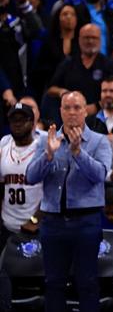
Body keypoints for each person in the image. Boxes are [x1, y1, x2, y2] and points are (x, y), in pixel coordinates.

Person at [26, 91, 112, 312]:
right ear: (60, 111)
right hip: (53, 220)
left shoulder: (99, 141)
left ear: (85, 110)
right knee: (53, 282)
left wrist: (77, 153)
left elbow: (101, 175)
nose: (72, 112)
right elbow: (30, 176)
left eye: (77, 107)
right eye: (67, 107)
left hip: (86, 220)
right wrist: (48, 155)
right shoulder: (46, 140)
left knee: (87, 282)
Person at [48, 23, 113, 117]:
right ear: (79, 40)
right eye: (86, 37)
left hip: (103, 116)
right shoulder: (68, 63)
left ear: (100, 40)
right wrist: (63, 92)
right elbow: (51, 88)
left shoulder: (111, 64)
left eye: (94, 38)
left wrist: (97, 106)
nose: (90, 41)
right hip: (72, 115)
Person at [0, 103, 44, 250]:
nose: (17, 124)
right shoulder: (3, 148)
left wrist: (35, 219)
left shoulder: (42, 149)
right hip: (7, 227)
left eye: (22, 120)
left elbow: (53, 192)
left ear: (32, 123)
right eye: (14, 120)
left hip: (35, 229)